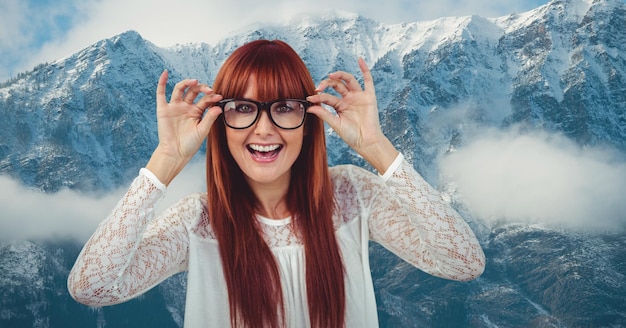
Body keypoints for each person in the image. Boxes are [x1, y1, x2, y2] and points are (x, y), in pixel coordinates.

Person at [67, 39, 485, 328]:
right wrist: (164, 163)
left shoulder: (351, 198)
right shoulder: (198, 223)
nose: (264, 129)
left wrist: (377, 148)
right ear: (220, 121)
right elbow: (91, 287)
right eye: (244, 108)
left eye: (284, 108)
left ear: (309, 121)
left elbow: (464, 263)